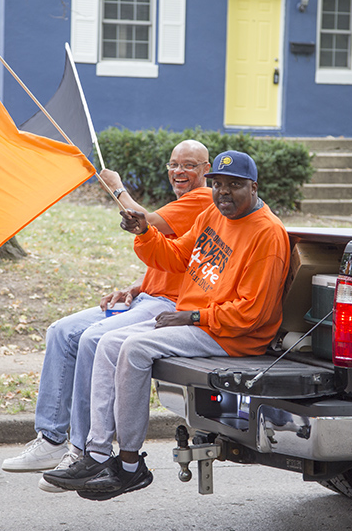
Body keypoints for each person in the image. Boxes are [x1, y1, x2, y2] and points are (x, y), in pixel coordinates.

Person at [42, 150, 291, 500]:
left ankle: (129, 466)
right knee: (109, 342)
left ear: (253, 186)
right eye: (218, 185)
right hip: (198, 322)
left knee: (134, 348)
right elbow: (175, 257)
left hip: (232, 336)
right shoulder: (213, 214)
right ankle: (97, 454)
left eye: (234, 186)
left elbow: (251, 314)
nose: (224, 193)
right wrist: (145, 232)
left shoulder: (267, 234)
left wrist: (191, 316)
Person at [1, 140, 213, 489]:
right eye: (174, 164)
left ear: (206, 170)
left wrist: (116, 187)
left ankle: (83, 451)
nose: (179, 172)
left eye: (190, 165)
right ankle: (51, 439)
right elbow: (174, 257)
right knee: (60, 330)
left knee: (91, 340)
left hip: (167, 307)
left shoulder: (203, 201)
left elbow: (146, 223)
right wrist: (136, 286)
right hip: (147, 297)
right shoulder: (184, 204)